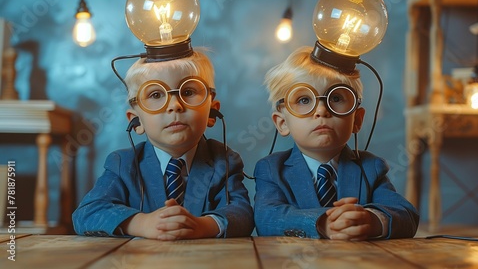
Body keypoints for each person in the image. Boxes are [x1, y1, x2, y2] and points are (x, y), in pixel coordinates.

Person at [73, 49, 254, 240]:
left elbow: (242, 214)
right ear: (136, 121)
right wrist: (141, 223)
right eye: (156, 95)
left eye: (188, 91)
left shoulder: (223, 160)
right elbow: (86, 214)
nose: (175, 105)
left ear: (211, 113)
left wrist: (203, 226)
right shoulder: (122, 163)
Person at [254, 47, 419, 240]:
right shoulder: (271, 169)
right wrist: (322, 222)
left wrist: (374, 220)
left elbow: (406, 214)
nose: (322, 110)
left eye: (336, 98)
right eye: (304, 99)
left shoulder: (371, 168)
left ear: (357, 120)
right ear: (282, 123)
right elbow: (266, 218)